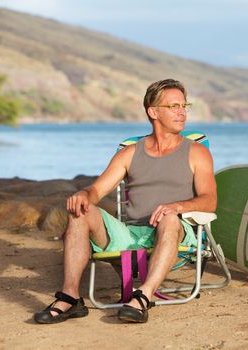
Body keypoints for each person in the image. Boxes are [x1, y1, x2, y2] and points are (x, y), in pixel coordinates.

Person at [34, 79, 217, 324]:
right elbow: (96, 190)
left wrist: (178, 206)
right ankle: (70, 298)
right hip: (130, 237)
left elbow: (209, 200)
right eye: (173, 106)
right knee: (80, 212)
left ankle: (143, 297)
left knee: (169, 218)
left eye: (184, 105)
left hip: (175, 233)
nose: (182, 111)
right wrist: (84, 195)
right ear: (153, 112)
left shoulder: (196, 152)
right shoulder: (129, 153)